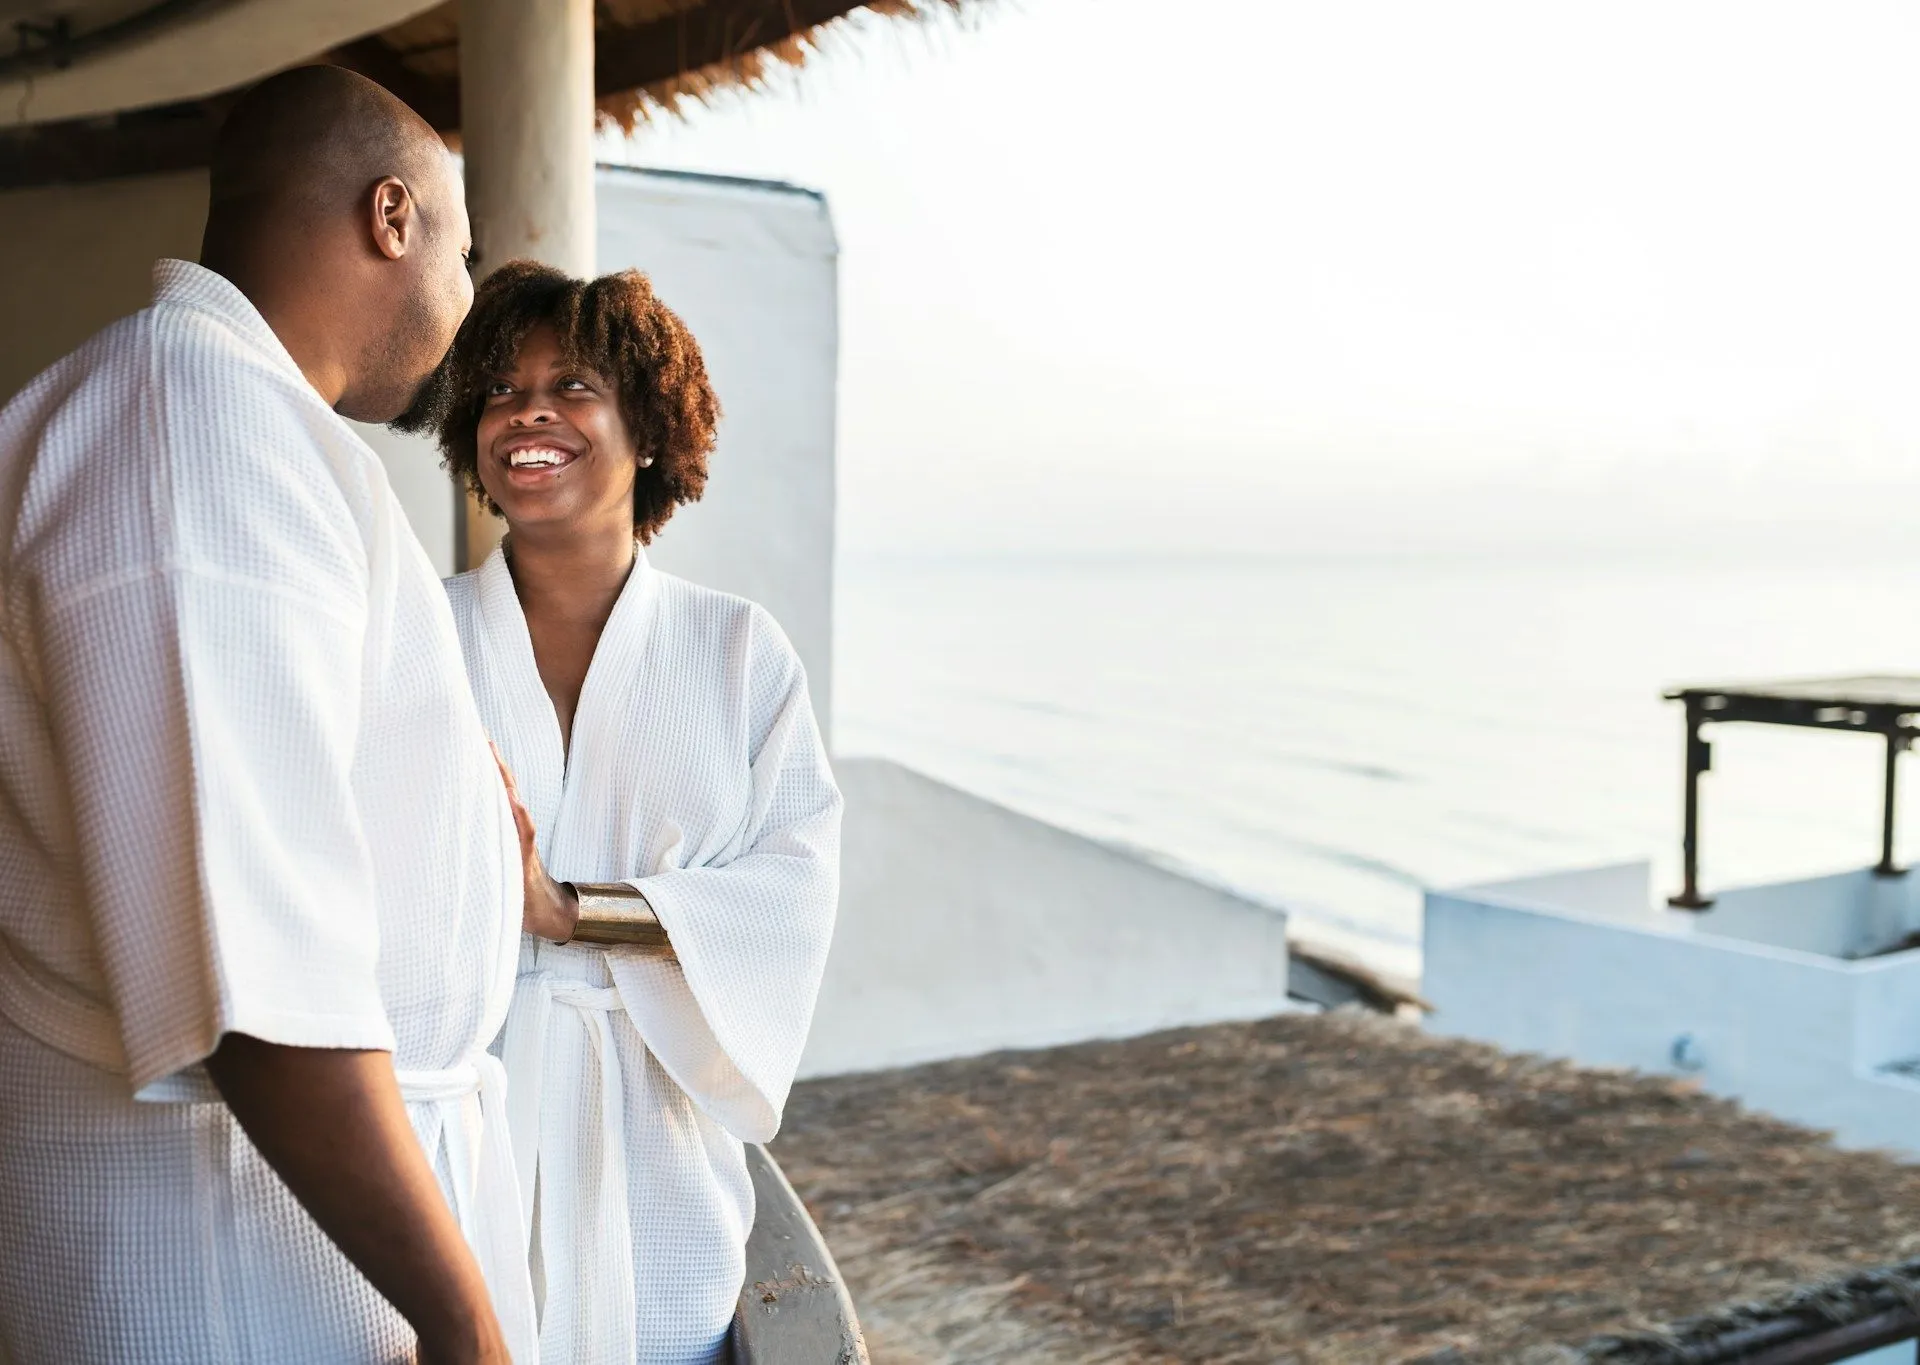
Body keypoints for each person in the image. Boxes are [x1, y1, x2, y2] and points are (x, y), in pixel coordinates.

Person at [0, 67, 539, 1363]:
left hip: (272, 1234)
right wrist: (463, 1321)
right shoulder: (194, 433)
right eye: (463, 254)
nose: (465, 303)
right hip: (229, 1257)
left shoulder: (220, 419)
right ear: (392, 217)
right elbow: (260, 990)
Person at [410, 260, 841, 1363]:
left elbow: (788, 895)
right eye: (500, 390)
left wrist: (567, 910)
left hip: (657, 1152)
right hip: (457, 1129)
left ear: (647, 427)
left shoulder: (736, 652)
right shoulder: (416, 636)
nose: (528, 412)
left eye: (572, 386)